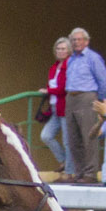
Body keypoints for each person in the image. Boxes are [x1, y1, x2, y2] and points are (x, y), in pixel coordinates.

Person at [61, 26, 106, 183]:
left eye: (79, 39)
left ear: (87, 41)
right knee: (73, 138)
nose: (76, 42)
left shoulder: (93, 58)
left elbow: (104, 80)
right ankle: (79, 172)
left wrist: (99, 100)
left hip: (87, 97)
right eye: (73, 40)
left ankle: (90, 173)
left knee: (88, 136)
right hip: (71, 97)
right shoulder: (71, 59)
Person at [37, 36, 71, 175]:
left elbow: (65, 88)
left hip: (65, 107)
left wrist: (48, 91)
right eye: (58, 48)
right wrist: (48, 91)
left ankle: (70, 170)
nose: (60, 51)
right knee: (46, 135)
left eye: (63, 48)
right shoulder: (54, 67)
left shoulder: (69, 66)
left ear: (69, 50)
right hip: (54, 108)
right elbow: (51, 83)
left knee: (67, 140)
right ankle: (63, 161)